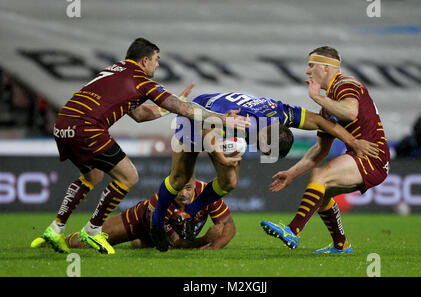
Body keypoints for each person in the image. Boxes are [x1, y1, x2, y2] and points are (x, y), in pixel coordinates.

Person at [35, 37, 249, 255]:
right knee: (129, 177)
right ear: (145, 60)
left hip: (62, 125)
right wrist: (222, 118)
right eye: (156, 60)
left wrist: (170, 108)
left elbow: (139, 114)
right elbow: (183, 109)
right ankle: (92, 230)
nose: (157, 65)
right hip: (87, 128)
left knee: (93, 176)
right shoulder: (141, 80)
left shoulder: (113, 71)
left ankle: (56, 227)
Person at [151, 90, 380, 252]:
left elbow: (321, 122)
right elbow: (205, 128)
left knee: (229, 182)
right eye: (263, 147)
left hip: (224, 126)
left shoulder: (283, 113)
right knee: (180, 178)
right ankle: (157, 223)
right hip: (200, 115)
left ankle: (189, 213)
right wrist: (220, 155)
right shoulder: (245, 121)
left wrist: (353, 141)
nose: (261, 150)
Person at [261, 46, 390, 254]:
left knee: (320, 175)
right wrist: (291, 174)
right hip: (361, 156)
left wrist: (317, 97)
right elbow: (320, 150)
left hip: (371, 156)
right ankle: (341, 245)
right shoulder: (328, 106)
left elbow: (350, 112)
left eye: (311, 65)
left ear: (326, 67)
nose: (307, 71)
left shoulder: (344, 84)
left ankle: (293, 230)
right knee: (321, 194)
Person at [31, 177, 236, 250]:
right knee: (84, 244)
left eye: (188, 188)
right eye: (179, 189)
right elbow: (176, 243)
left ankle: (143, 243)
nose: (183, 194)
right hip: (139, 221)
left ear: (195, 185)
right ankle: (58, 239)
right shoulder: (161, 201)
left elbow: (229, 226)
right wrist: (205, 240)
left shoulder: (207, 194)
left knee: (154, 245)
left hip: (164, 235)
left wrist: (214, 248)